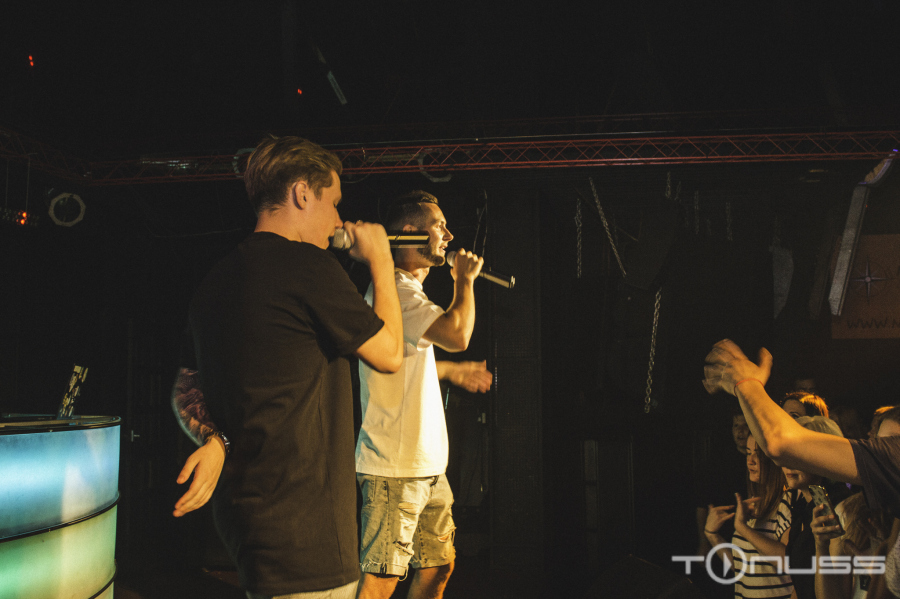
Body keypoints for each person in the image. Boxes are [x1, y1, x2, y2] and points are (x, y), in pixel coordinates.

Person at [170, 135, 404, 599]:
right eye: (333, 202)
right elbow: (391, 354)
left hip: (247, 525)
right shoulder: (309, 267)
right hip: (307, 532)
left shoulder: (215, 280)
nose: (337, 220)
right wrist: (381, 260)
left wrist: (216, 439)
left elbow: (186, 388)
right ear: (301, 193)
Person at [355, 190, 492, 599]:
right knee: (382, 580)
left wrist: (449, 371)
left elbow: (401, 364)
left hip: (425, 466)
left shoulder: (408, 294)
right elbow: (458, 335)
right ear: (411, 232)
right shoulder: (395, 291)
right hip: (395, 466)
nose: (448, 236)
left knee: (438, 567)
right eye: (439, 226)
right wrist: (464, 280)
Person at [702, 340, 900, 597]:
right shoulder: (808, 506)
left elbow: (780, 444)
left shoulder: (846, 503)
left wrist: (746, 383)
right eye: (877, 441)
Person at [705, 433, 793, 599]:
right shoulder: (755, 503)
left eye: (758, 454)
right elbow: (742, 567)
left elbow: (788, 561)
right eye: (748, 453)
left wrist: (742, 528)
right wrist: (712, 535)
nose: (750, 461)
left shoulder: (787, 502)